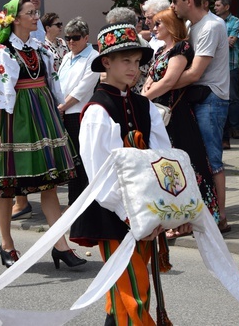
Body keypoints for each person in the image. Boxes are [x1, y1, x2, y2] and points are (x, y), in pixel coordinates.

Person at [73, 22, 190, 326]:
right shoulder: (98, 111)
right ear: (107, 62)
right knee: (134, 291)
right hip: (115, 214)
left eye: (137, 61)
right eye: (125, 60)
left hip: (147, 212)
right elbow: (100, 175)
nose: (133, 68)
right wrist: (131, 215)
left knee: (124, 295)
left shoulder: (144, 106)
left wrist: (165, 209)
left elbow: (163, 159)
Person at [0, 0, 82, 269]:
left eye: (37, 12)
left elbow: (52, 81)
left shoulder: (40, 48)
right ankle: (6, 243)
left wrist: (57, 113)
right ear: (14, 19)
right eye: (30, 13)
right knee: (6, 185)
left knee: (49, 183)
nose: (36, 17)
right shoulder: (2, 50)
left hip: (42, 115)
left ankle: (61, 245)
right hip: (15, 118)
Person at [142, 8, 221, 235]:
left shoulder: (181, 48)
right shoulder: (160, 51)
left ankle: (196, 218)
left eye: (158, 24)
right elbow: (151, 78)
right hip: (158, 114)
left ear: (170, 25)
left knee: (188, 164)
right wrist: (145, 92)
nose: (154, 28)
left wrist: (142, 99)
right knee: (166, 167)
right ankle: (175, 218)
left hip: (176, 113)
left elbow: (169, 81)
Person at [169, 0, 231, 233]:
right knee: (198, 158)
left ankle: (222, 218)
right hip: (199, 98)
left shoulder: (211, 26)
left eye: (175, 1)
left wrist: (162, 85)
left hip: (212, 99)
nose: (172, 6)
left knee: (212, 158)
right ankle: (205, 214)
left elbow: (194, 73)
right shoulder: (192, 26)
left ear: (189, 0)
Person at [57, 17, 100, 220]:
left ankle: (78, 205)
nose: (71, 42)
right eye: (68, 38)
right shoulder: (67, 57)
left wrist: (63, 107)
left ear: (86, 37)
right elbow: (59, 83)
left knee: (80, 161)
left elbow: (82, 89)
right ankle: (74, 203)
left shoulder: (93, 57)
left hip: (79, 114)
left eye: (75, 38)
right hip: (64, 112)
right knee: (70, 161)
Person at [214, 0, 239, 147]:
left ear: (226, 7)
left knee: (233, 97)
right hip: (217, 67)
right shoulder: (214, 22)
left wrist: (215, 41)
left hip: (231, 65)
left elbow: (231, 42)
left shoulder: (236, 22)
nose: (215, 8)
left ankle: (236, 128)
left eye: (218, 5)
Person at [106, 7, 152, 94]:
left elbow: (132, 80)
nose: (110, 30)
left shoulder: (140, 44)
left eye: (113, 26)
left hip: (131, 98)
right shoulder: (116, 44)